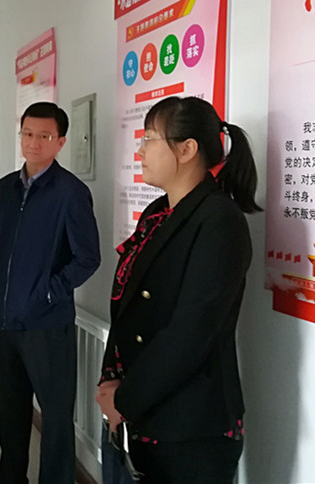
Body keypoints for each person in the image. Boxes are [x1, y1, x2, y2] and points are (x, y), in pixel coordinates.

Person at [96, 96, 261, 483]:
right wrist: (111, 379)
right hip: (143, 406)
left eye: (149, 139)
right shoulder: (158, 213)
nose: (140, 151)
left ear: (186, 150)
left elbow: (191, 332)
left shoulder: (220, 221)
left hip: (190, 425)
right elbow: (128, 305)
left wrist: (124, 399)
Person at [0, 101, 101, 484]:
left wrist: (47, 294)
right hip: (6, 321)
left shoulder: (70, 192)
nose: (33, 143)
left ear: (60, 142)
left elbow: (88, 258)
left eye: (44, 136)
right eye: (28, 134)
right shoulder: (5, 188)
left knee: (55, 420)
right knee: (10, 417)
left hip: (48, 326)